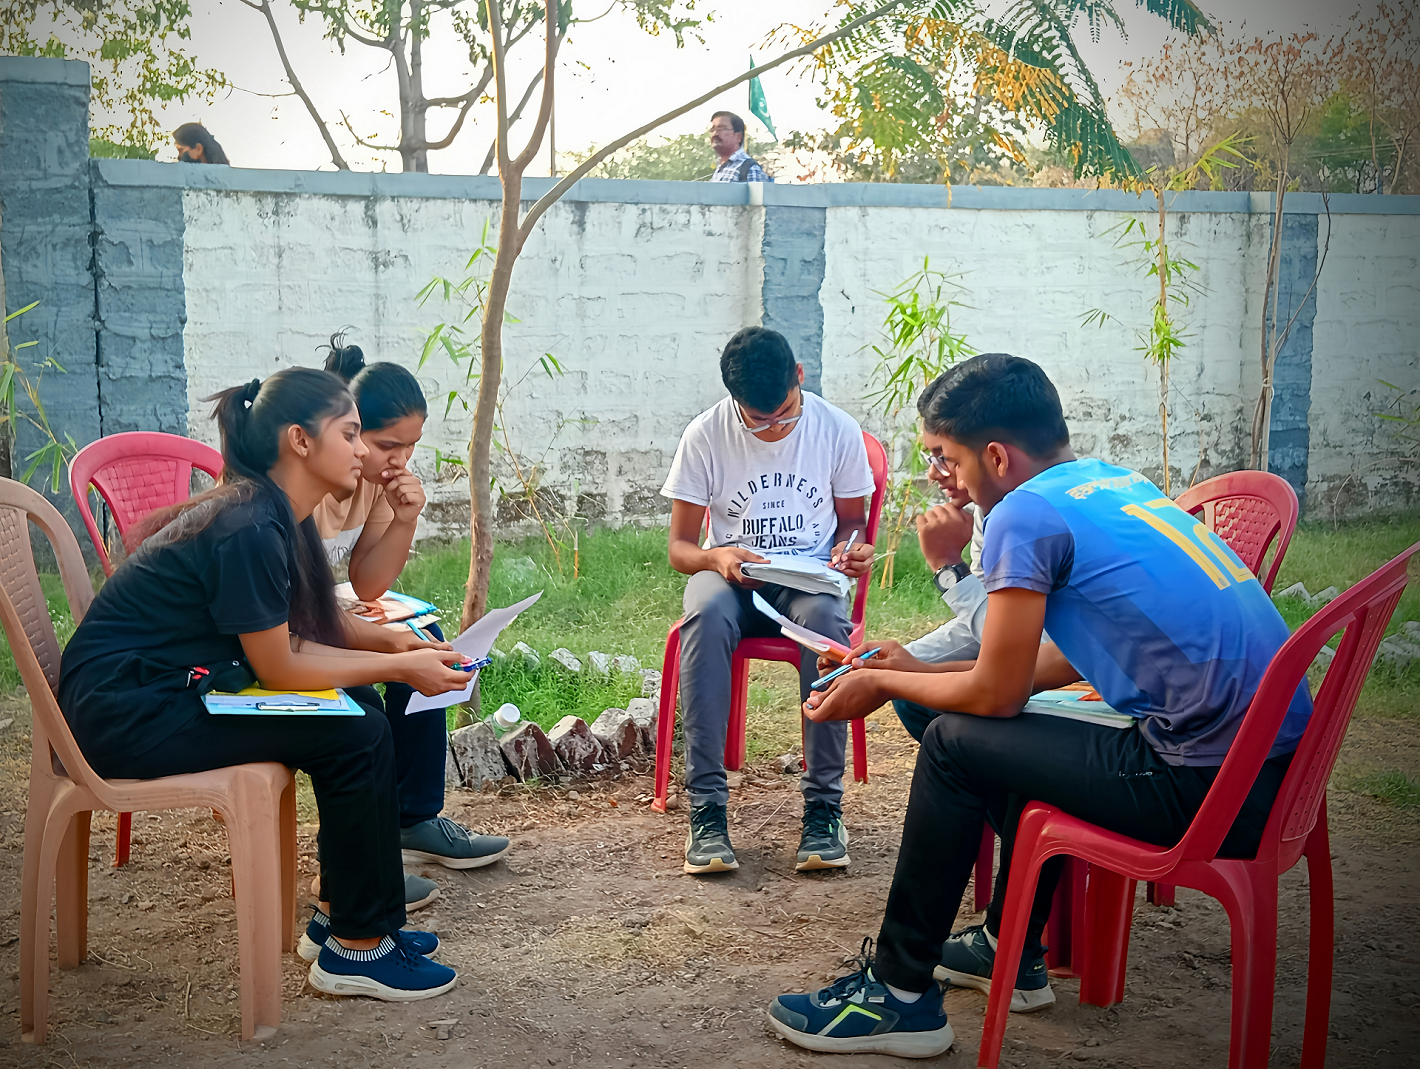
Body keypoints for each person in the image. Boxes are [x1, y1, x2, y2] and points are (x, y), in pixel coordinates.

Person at [766, 354, 1312, 1058]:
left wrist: (887, 684)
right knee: (964, 719)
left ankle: (899, 993)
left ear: (995, 455)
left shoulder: (1023, 513)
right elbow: (1055, 660)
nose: (945, 477)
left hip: (1209, 789)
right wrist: (916, 663)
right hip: (1271, 775)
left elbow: (997, 691)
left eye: (946, 457)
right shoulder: (1109, 482)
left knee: (953, 740)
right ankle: (1011, 946)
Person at [59, 367, 471, 1001]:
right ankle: (359, 951)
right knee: (356, 733)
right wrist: (398, 667)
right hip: (127, 713)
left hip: (162, 691)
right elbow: (280, 665)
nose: (365, 452)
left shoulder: (277, 512)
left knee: (358, 709)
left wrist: (392, 641)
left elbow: (297, 636)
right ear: (300, 441)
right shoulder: (250, 525)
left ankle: (347, 919)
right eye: (353, 434)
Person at [662, 326, 875, 875]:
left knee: (828, 622)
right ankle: (707, 810)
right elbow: (682, 549)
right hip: (732, 579)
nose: (773, 427)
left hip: (808, 579)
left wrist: (851, 550)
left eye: (783, 413)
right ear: (733, 400)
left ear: (799, 377)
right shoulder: (706, 435)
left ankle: (824, 809)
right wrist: (719, 557)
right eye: (757, 420)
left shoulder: (835, 429)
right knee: (704, 616)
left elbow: (852, 522)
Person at [317, 333, 510, 888]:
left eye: (410, 447)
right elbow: (292, 611)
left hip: (322, 611)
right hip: (290, 629)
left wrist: (404, 519)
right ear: (346, 432)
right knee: (364, 696)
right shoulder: (309, 483)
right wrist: (383, 646)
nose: (398, 461)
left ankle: (413, 818)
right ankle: (358, 856)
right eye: (386, 445)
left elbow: (368, 583)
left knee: (428, 639)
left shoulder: (375, 482)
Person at [708, 111, 772, 182]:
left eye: (722, 129)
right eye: (712, 129)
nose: (715, 134)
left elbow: (759, 193)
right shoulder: (720, 169)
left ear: (738, 136)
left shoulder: (750, 169)